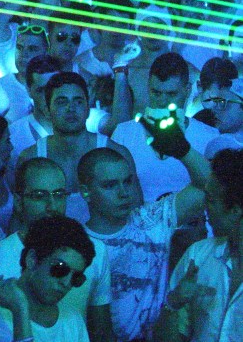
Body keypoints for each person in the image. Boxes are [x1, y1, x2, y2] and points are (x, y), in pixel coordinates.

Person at [0, 157, 114, 342]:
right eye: (39, 196)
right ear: (18, 201)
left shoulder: (94, 252)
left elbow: (102, 331)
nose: (52, 205)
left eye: (59, 194)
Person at [79, 143, 210, 342]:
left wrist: (182, 149)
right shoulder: (77, 245)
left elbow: (209, 185)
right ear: (85, 191)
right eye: (110, 185)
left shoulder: (151, 219)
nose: (124, 192)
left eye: (127, 181)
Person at [153, 149, 243, 342]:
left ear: (235, 211)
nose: (204, 206)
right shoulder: (198, 256)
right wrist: (174, 302)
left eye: (210, 200)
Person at [0, 215, 96, 342]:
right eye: (60, 268)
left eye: (76, 277)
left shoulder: (73, 321)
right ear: (32, 259)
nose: (66, 283)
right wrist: (21, 311)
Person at [110, 52, 218, 204]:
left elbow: (217, 191)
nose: (162, 101)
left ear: (187, 90)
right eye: (156, 92)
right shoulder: (124, 133)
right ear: (148, 87)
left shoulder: (209, 137)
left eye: (171, 94)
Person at [19, 72, 104, 222]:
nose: (71, 108)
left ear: (88, 109)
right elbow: (19, 219)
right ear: (47, 110)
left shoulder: (113, 152)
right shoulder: (30, 158)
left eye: (78, 101)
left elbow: (136, 216)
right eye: (61, 102)